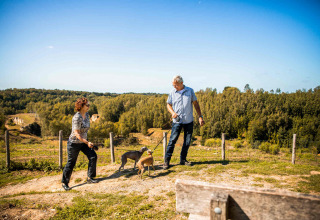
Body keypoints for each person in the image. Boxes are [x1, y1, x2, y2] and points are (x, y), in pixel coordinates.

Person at [164, 75, 205, 169]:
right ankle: (166, 161)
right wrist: (173, 113)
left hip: (188, 120)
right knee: (172, 141)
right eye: (173, 85)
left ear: (181, 83)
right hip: (177, 121)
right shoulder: (172, 92)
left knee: (187, 142)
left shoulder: (190, 91)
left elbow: (196, 104)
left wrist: (200, 117)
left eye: (176, 85)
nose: (174, 87)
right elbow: (168, 105)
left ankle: (183, 160)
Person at [62, 97, 98, 191]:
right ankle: (65, 183)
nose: (89, 106)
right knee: (71, 163)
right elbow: (77, 134)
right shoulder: (76, 117)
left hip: (83, 142)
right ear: (81, 106)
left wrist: (87, 141)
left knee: (93, 156)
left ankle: (90, 178)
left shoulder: (87, 114)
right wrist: (87, 142)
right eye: (87, 105)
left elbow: (85, 130)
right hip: (74, 143)